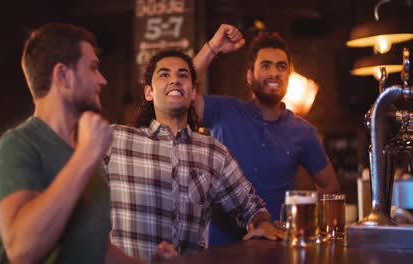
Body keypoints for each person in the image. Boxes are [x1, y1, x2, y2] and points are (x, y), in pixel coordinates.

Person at [0, 23, 141, 264]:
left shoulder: (84, 151)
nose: (103, 80)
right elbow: (22, 251)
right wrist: (85, 157)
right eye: (93, 68)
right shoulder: (16, 146)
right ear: (63, 76)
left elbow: (96, 248)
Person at [105, 49, 281, 262]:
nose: (175, 80)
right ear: (148, 92)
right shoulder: (115, 140)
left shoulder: (214, 152)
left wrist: (263, 223)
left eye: (183, 75)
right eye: (164, 74)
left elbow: (251, 207)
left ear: (193, 92)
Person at [192, 24, 341, 246]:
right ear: (249, 75)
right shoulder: (224, 111)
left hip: (275, 248)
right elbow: (184, 91)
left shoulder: (304, 131)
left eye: (281, 67)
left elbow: (331, 187)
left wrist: (297, 222)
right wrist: (213, 47)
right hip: (221, 250)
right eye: (266, 65)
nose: (274, 72)